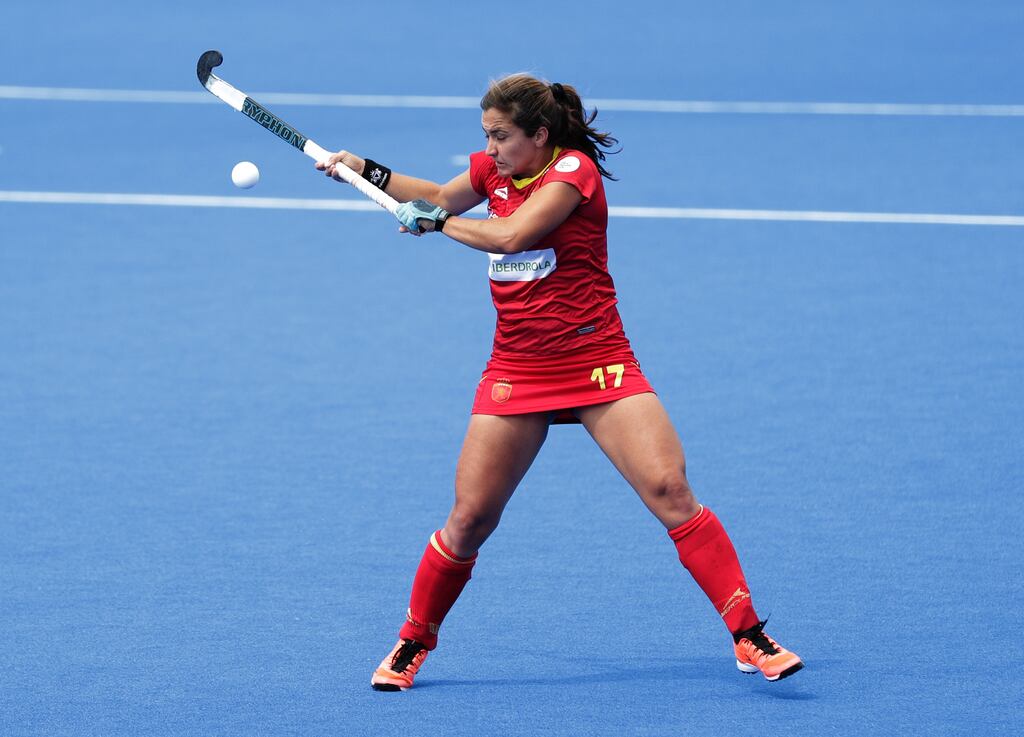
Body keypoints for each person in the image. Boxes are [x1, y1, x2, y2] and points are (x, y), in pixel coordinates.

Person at [316, 74, 803, 691]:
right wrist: (368, 171)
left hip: (598, 359)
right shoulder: (493, 171)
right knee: (469, 520)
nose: (490, 150)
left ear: (539, 135)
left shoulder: (573, 173)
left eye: (502, 137)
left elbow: (511, 234)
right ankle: (414, 640)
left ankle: (748, 634)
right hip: (518, 368)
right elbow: (440, 193)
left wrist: (435, 224)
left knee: (669, 489)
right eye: (486, 137)